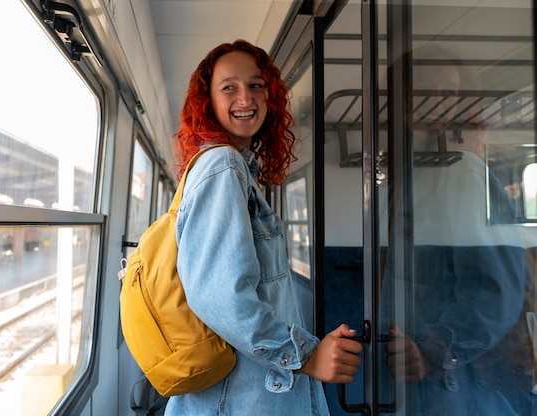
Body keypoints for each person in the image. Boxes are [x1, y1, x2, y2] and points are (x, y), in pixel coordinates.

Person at [165, 39, 362, 415]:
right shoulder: (222, 166)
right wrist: (305, 357)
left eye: (256, 85)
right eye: (229, 87)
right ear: (208, 101)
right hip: (238, 399)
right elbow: (221, 298)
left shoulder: (237, 168)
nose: (246, 98)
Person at [378, 46, 533, 415]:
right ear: (403, 100)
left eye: (449, 92)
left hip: (447, 381)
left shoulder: (459, 170)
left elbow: (493, 287)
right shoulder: (415, 170)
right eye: (423, 90)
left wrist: (436, 351)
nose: (439, 102)